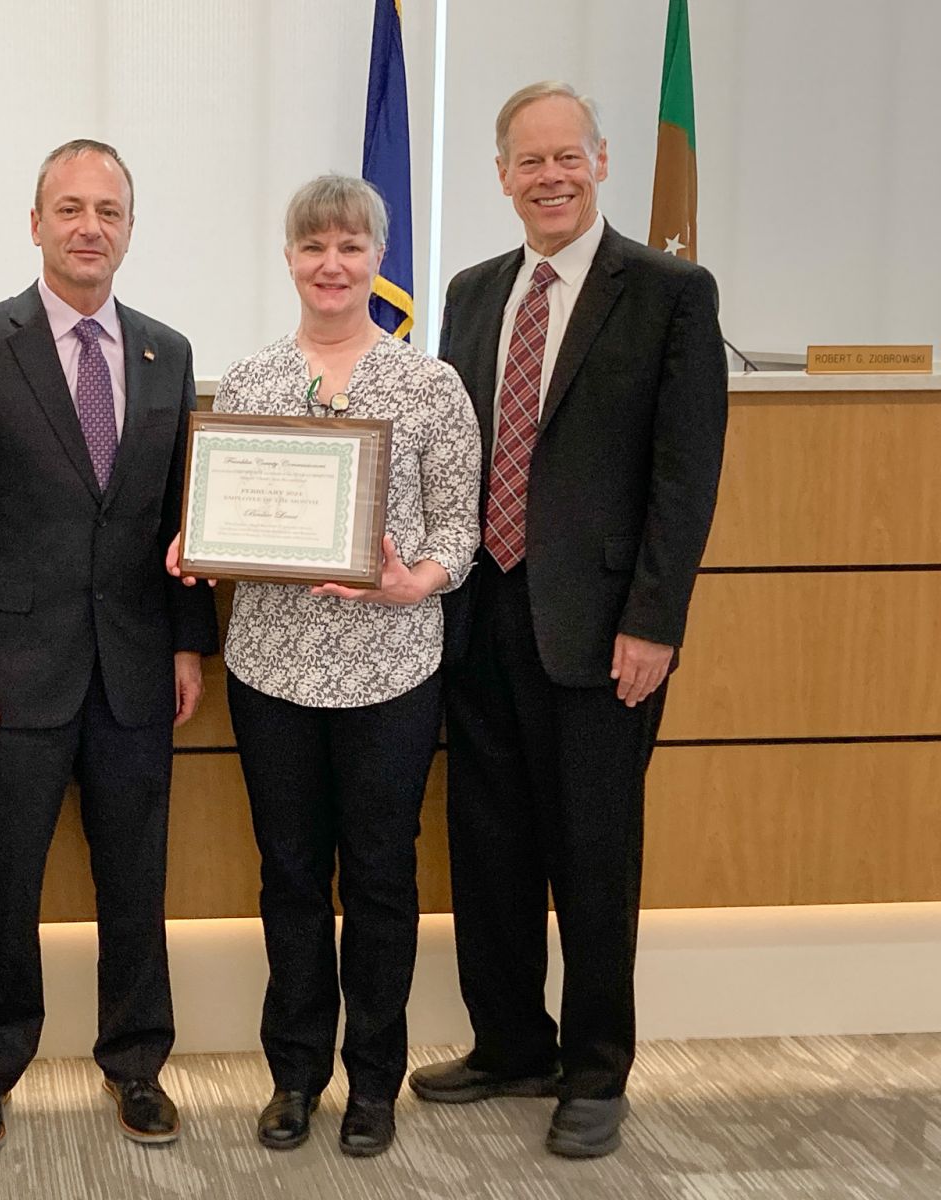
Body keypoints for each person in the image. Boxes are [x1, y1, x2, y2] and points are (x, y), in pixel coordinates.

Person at [409, 81, 727, 1159]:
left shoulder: (669, 291)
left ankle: (595, 1069)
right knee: (487, 841)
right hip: (479, 611)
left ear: (599, 161)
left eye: (566, 157)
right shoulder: (469, 290)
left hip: (601, 626)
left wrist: (655, 618)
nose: (547, 177)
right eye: (526, 161)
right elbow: (443, 451)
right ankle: (510, 1044)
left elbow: (685, 478)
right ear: (499, 175)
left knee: (594, 850)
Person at [0, 138, 219, 1156]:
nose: (91, 227)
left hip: (135, 667)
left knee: (136, 878)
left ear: (130, 229)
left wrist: (188, 648)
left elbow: (178, 518)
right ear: (34, 222)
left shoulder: (166, 353)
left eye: (110, 212)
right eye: (71, 208)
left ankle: (136, 1062)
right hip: (9, 675)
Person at [170, 174, 479, 1157]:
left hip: (389, 669)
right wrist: (195, 541)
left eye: (349, 246)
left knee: (381, 879)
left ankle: (374, 1083)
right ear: (290, 258)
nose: (331, 265)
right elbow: (222, 502)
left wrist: (411, 583)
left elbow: (459, 531)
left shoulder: (428, 385)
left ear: (376, 258)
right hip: (271, 671)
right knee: (292, 878)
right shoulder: (252, 379)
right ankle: (295, 1076)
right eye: (313, 247)